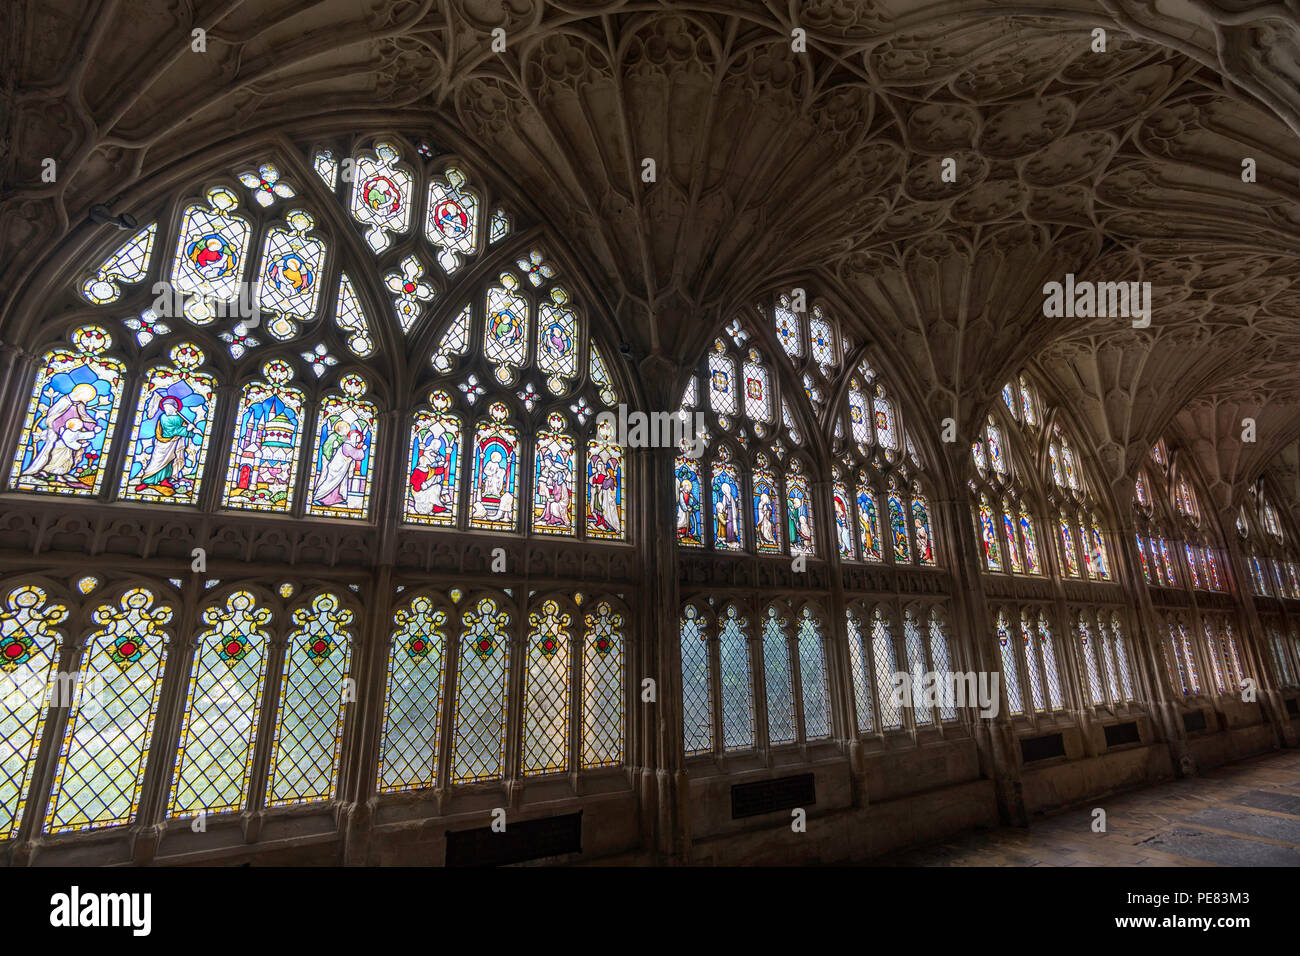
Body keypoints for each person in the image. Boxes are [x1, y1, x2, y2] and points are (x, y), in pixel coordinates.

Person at [20, 382, 99, 486]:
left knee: (67, 457)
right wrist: (60, 431)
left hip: (71, 434)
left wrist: (93, 427)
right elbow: (53, 416)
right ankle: (40, 469)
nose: (86, 400)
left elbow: (84, 418)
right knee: (51, 452)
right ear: (80, 393)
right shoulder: (63, 401)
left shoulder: (79, 405)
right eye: (86, 397)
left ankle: (60, 474)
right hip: (57, 433)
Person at [133, 396, 194, 497]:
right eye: (165, 407)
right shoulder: (164, 418)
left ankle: (165, 480)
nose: (166, 410)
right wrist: (186, 430)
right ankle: (146, 481)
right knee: (156, 462)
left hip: (174, 444)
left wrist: (191, 430)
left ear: (175, 408)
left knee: (170, 462)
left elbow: (183, 432)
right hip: (162, 443)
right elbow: (171, 431)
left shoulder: (179, 418)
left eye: (168, 407)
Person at [314, 420, 366, 507]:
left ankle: (336, 499)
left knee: (339, 485)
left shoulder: (345, 443)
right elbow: (357, 455)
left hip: (341, 469)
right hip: (336, 468)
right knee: (330, 483)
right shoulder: (347, 445)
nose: (357, 441)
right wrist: (362, 449)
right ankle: (318, 497)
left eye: (358, 439)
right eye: (356, 438)